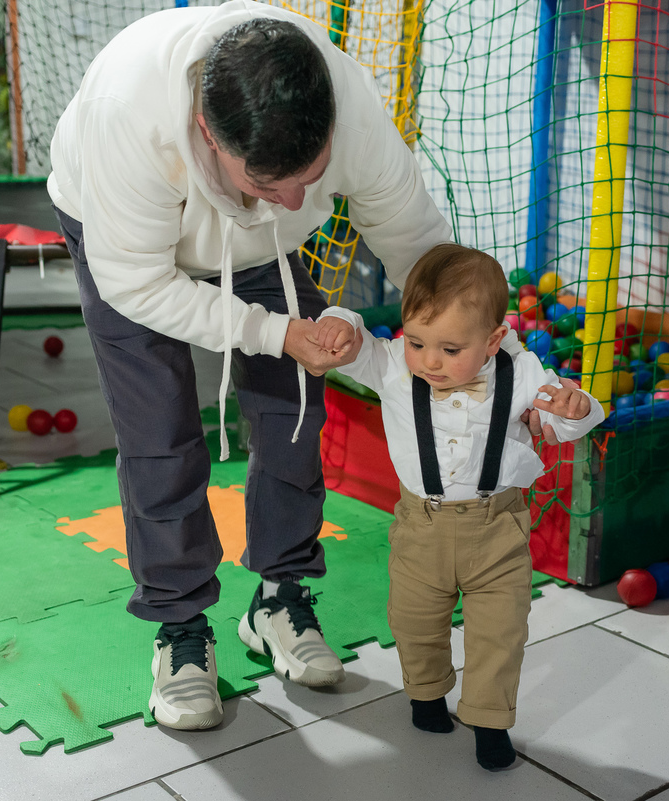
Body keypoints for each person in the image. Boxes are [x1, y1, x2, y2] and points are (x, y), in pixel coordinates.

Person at [46, 0, 454, 731]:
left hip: (255, 244)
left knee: (295, 401)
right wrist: (271, 330)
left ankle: (278, 597)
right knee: (159, 431)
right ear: (209, 132)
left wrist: (487, 350)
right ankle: (180, 628)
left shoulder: (350, 109)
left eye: (312, 178)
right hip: (121, 243)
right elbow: (138, 284)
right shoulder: (127, 117)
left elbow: (416, 242)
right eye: (272, 183)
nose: (297, 200)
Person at [313, 244, 605, 770]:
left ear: (493, 340)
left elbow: (560, 421)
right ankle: (426, 695)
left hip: (498, 529)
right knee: (414, 622)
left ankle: (490, 723)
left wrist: (575, 409)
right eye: (417, 341)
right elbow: (354, 341)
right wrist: (339, 321)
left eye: (450, 349)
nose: (429, 361)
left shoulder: (522, 371)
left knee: (500, 633)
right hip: (420, 527)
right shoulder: (393, 365)